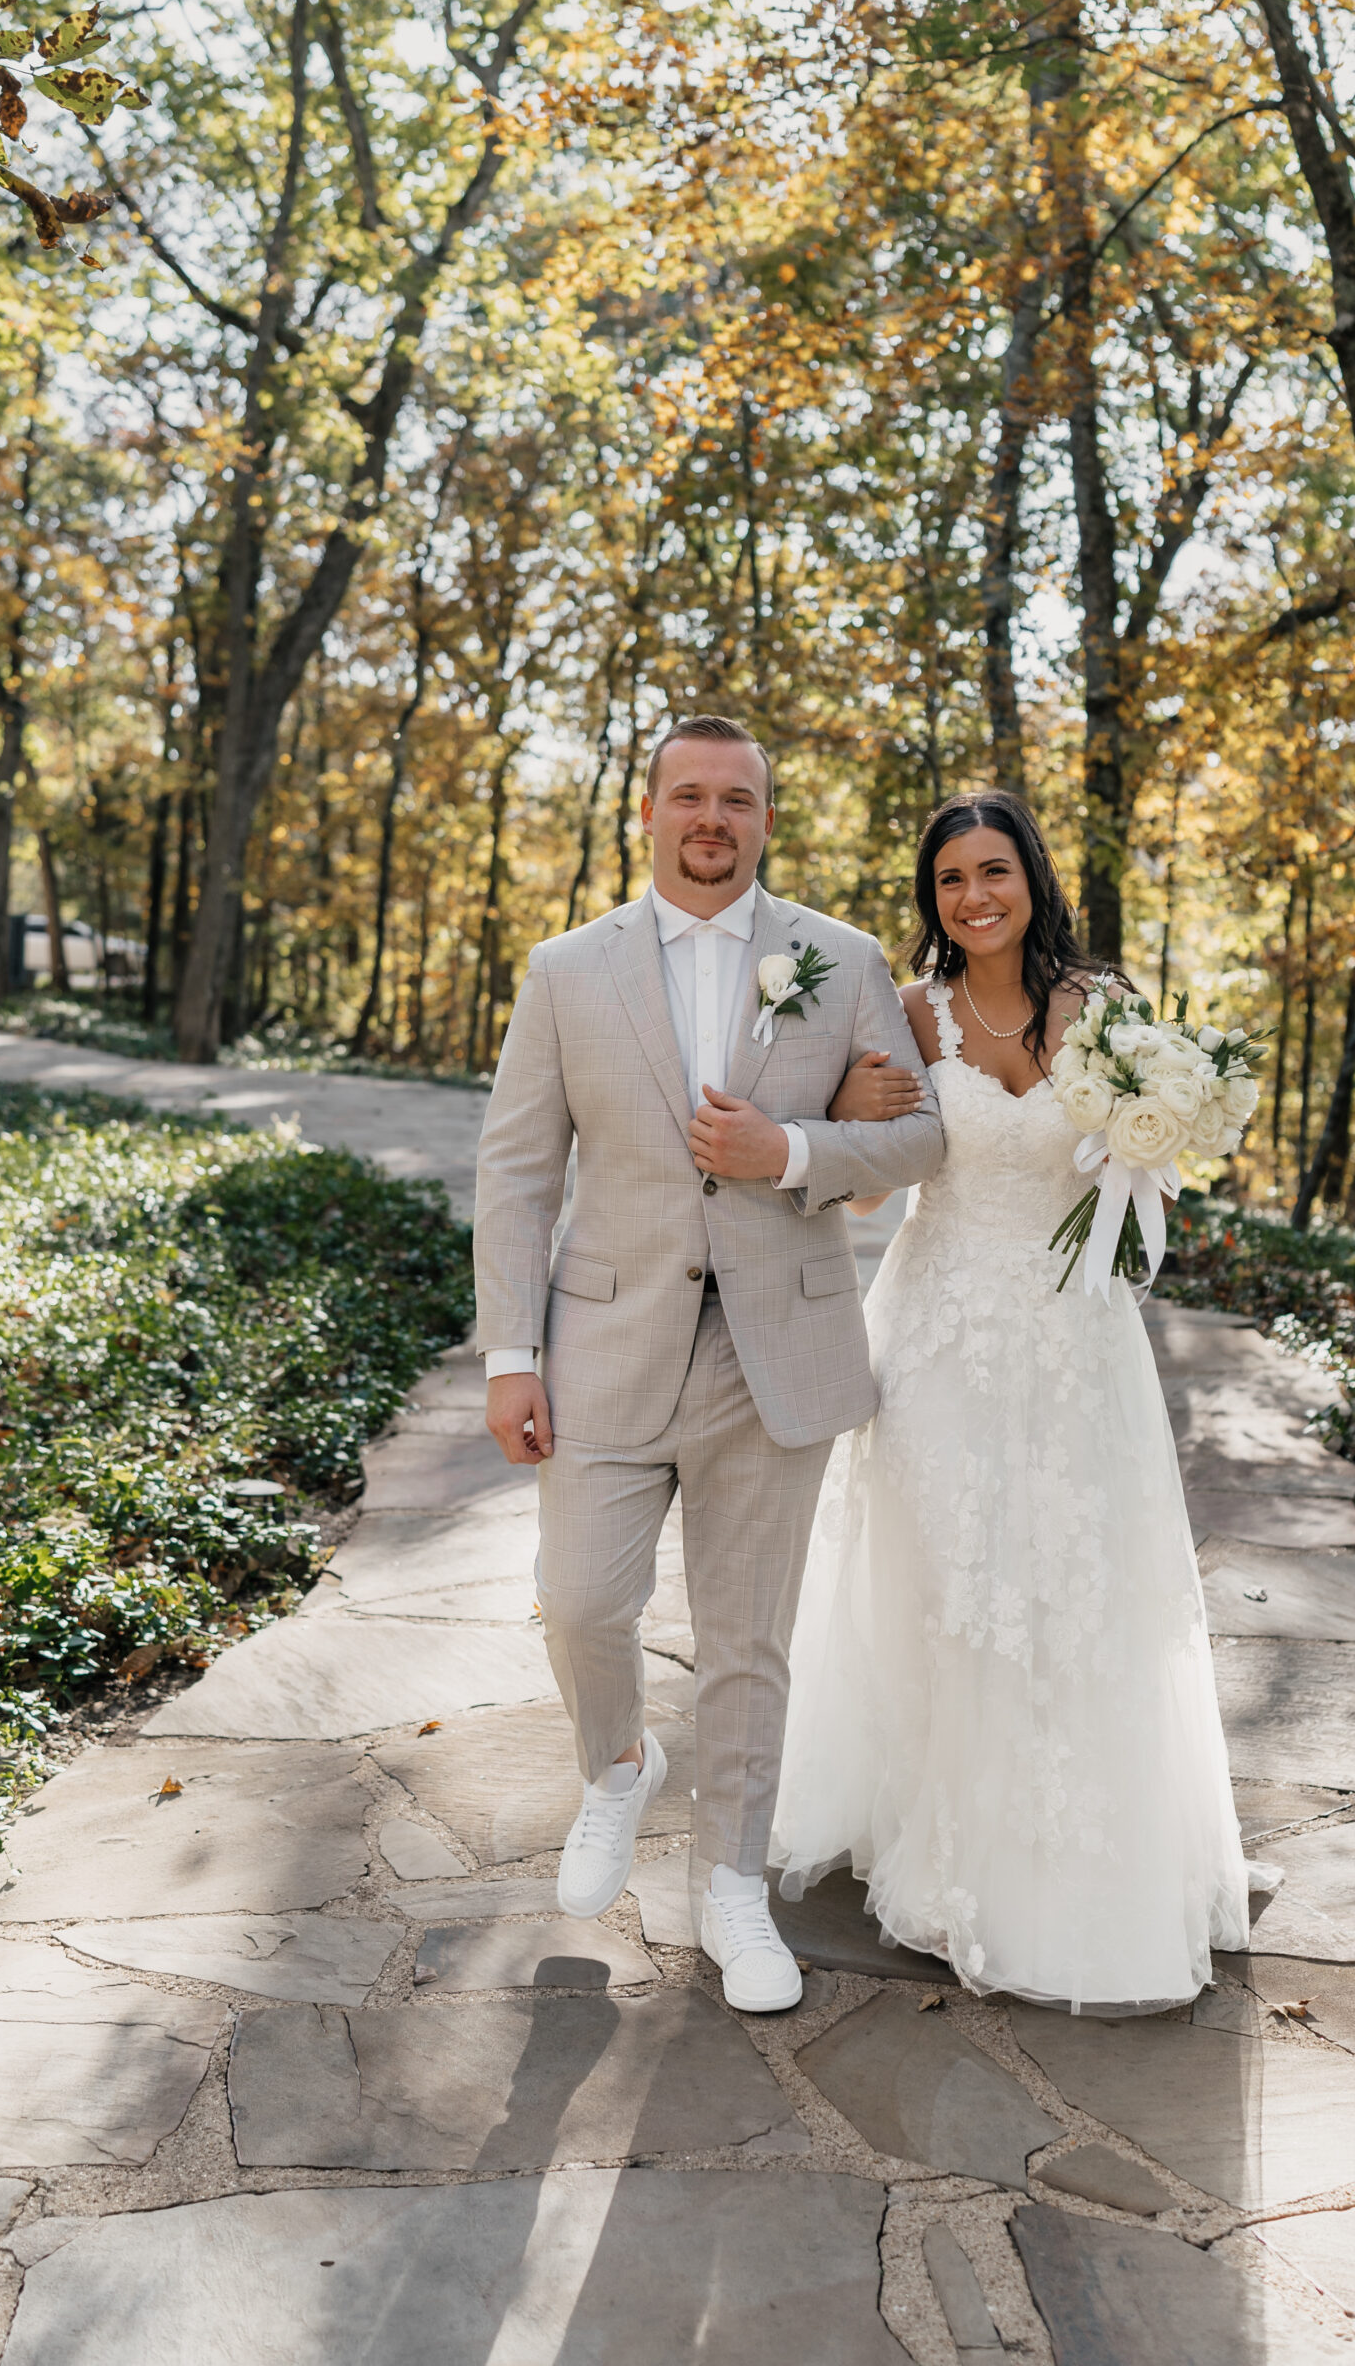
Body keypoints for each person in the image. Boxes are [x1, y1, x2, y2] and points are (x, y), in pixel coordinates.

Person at [474, 715, 944, 2015]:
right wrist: (510, 1352)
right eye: (689, 794)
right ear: (649, 810)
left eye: (736, 799)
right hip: (600, 1347)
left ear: (763, 819)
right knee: (579, 1604)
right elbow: (516, 1169)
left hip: (773, 1352)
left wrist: (789, 1155)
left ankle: (732, 1887)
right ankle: (617, 1764)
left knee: (750, 1643)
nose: (711, 818)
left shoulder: (839, 961)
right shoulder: (567, 970)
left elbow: (914, 1141)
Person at [770, 790, 1252, 2011]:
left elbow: (1153, 1189)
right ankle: (944, 1841)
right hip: (937, 1332)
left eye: (994, 870)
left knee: (1071, 1580)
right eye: (949, 881)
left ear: (1031, 876)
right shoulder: (910, 1013)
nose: (973, 896)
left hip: (1076, 1340)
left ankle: (1071, 1856)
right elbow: (871, 1196)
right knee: (947, 1582)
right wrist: (840, 1123)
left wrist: (1146, 1143)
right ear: (930, 900)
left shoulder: (1110, 1009)